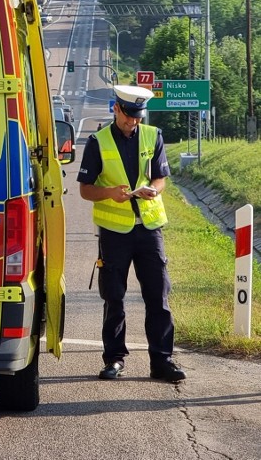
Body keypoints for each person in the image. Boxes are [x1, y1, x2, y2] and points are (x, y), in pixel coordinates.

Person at [77, 85, 186, 383]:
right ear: (116, 109)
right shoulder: (97, 142)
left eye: (137, 117)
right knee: (114, 297)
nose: (133, 122)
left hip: (150, 230)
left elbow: (161, 178)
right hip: (114, 233)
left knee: (158, 296)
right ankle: (114, 359)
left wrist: (154, 190)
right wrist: (110, 193)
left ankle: (162, 361)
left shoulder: (154, 135)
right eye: (128, 116)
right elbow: (85, 190)